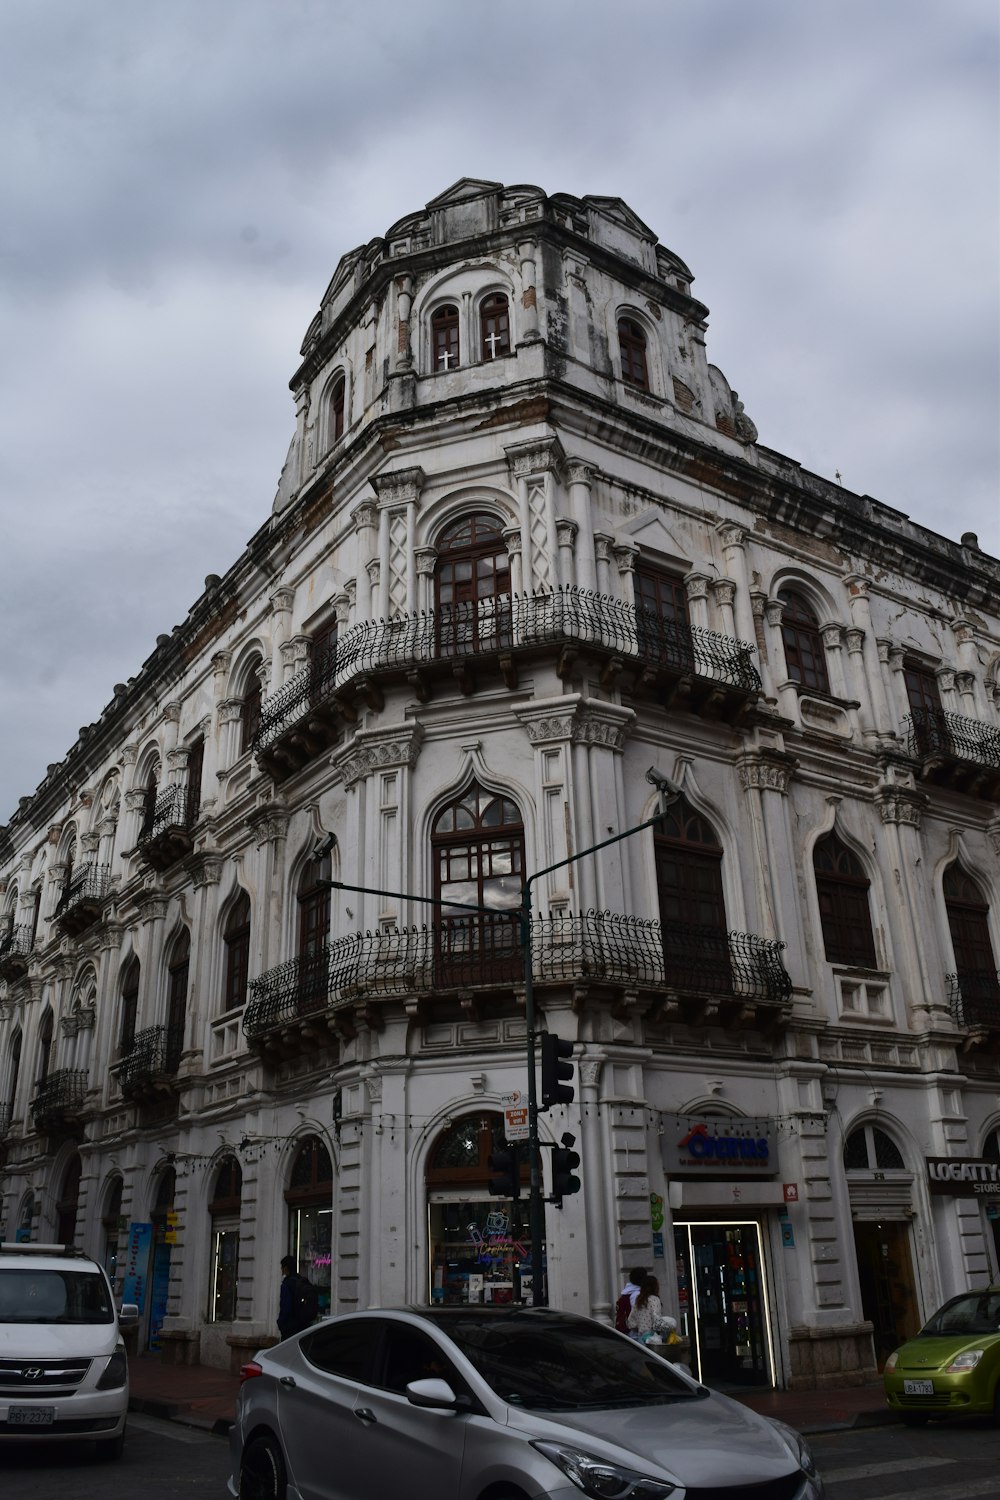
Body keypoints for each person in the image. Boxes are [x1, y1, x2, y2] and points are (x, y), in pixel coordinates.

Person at [277, 1255, 318, 1339]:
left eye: (282, 1267)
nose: (281, 1270)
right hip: (304, 1326)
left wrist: (280, 1323)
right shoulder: (302, 1281)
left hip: (290, 1329)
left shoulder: (287, 1285)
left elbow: (285, 1308)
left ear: (285, 1268)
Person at [627, 1274, 663, 1340]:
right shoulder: (654, 1299)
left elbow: (631, 1321)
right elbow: (656, 1317)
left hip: (640, 1337)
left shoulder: (639, 1300)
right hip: (652, 1337)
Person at [614, 1265, 648, 1335]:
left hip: (625, 1331)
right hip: (634, 1332)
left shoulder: (626, 1293)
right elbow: (639, 1315)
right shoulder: (637, 1294)